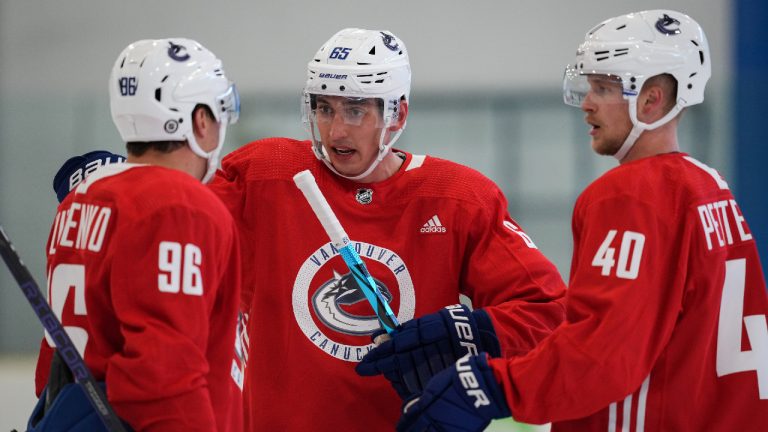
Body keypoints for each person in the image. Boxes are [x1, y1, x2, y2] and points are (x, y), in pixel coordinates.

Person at [393, 10, 768, 432]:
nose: (587, 103)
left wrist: (488, 385)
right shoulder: (711, 188)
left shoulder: (630, 195)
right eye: (588, 86)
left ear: (651, 99)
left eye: (604, 88)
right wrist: (492, 331)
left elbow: (605, 351)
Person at [209, 28, 566, 431]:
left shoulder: (459, 199)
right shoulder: (265, 176)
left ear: (397, 113)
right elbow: (173, 228)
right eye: (325, 108)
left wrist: (462, 332)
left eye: (355, 110)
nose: (336, 130)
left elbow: (548, 312)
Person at [34, 38, 243, 431]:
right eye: (218, 114)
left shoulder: (81, 197)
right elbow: (165, 377)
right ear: (200, 120)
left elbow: (50, 368)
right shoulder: (179, 205)